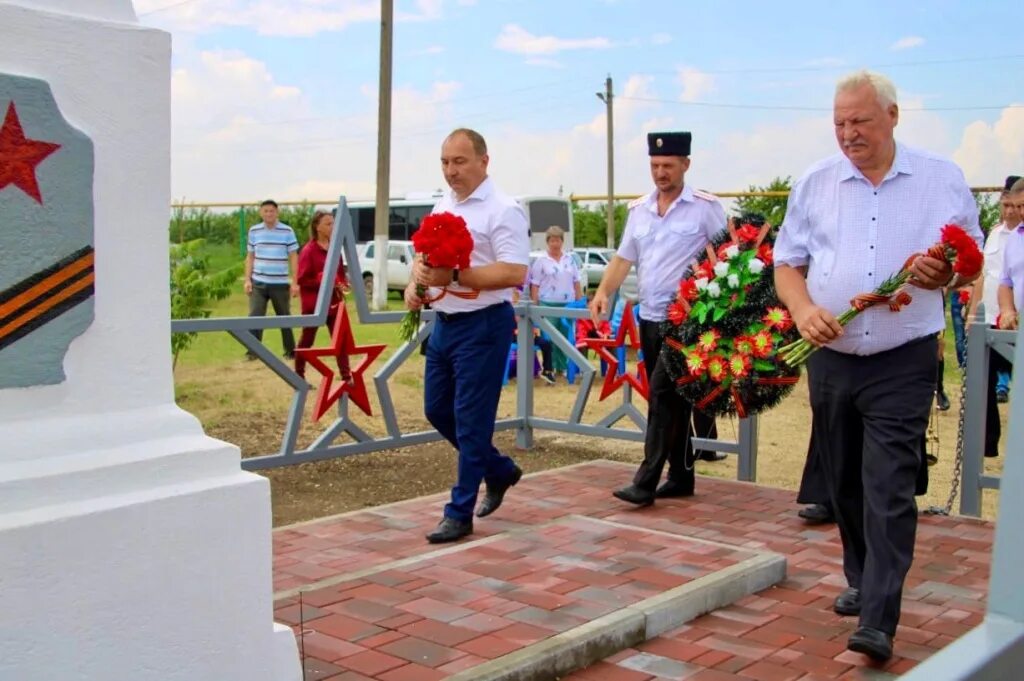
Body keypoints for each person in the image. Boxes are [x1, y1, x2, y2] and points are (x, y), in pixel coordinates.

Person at [774, 70, 983, 662]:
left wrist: (949, 274)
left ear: (893, 115)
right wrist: (803, 307)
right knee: (841, 483)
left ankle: (879, 617)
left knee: (888, 485)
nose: (848, 134)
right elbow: (786, 264)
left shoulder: (941, 178)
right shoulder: (814, 182)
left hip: (904, 355)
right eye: (839, 123)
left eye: (859, 121)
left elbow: (969, 261)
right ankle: (863, 576)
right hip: (833, 357)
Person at [590, 131, 727, 508]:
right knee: (673, 399)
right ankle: (681, 476)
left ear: (686, 163)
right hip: (649, 317)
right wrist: (603, 292)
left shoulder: (704, 208)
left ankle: (646, 479)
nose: (661, 172)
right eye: (655, 166)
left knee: (663, 397)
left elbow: (728, 258)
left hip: (686, 321)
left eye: (668, 165)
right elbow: (622, 259)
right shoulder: (640, 210)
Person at [406, 128, 530, 544]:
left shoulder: (503, 208)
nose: (450, 171)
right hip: (444, 324)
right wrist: (415, 284)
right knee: (438, 410)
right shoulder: (444, 203)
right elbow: (424, 257)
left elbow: (514, 272)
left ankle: (459, 513)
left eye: (459, 162)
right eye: (444, 162)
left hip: (483, 325)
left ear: (483, 161)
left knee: (472, 423)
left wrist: (455, 275)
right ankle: (498, 470)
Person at [970, 175, 1021, 410]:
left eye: (1018, 206)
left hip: (1015, 325)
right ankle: (987, 444)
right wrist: (973, 312)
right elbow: (985, 274)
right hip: (989, 320)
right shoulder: (994, 233)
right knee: (982, 388)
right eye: (1007, 205)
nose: (1011, 212)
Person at [294, 210, 350, 381]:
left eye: (333, 223)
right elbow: (302, 279)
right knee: (307, 341)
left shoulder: (335, 250)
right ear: (317, 227)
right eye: (328, 224)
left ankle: (346, 377)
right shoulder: (308, 251)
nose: (332, 227)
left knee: (340, 340)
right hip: (314, 305)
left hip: (334, 304)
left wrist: (342, 284)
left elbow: (339, 273)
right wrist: (323, 281)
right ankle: (299, 376)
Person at [244, 199, 299, 359]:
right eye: (266, 211)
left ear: (277, 212)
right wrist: (247, 279)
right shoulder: (254, 231)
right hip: (258, 281)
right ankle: (253, 351)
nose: (269, 214)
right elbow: (250, 257)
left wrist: (295, 282)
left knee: (284, 316)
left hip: (280, 282)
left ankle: (290, 350)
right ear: (261, 213)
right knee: (255, 315)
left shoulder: (287, 231)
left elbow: (294, 257)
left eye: (272, 211)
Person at [528, 225, 583, 383]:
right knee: (550, 337)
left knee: (566, 336)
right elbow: (535, 284)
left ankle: (564, 367)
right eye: (552, 240)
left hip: (568, 303)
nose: (555, 243)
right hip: (547, 303)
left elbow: (576, 281)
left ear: (562, 241)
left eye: (558, 240)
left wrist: (579, 302)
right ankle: (549, 368)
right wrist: (535, 304)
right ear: (547, 242)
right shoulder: (541, 261)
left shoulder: (570, 259)